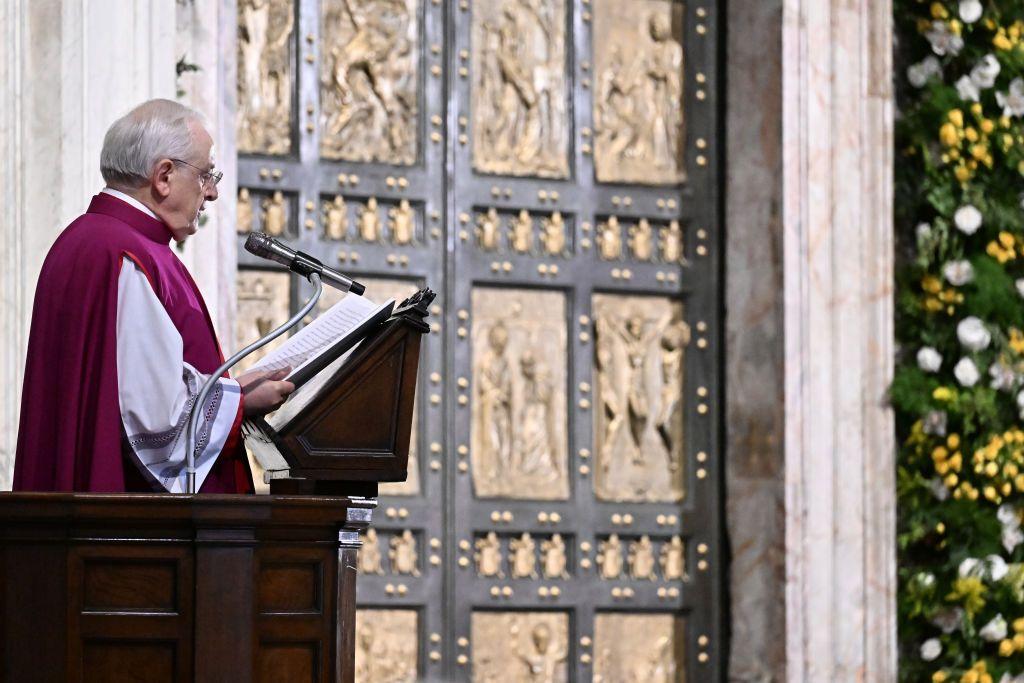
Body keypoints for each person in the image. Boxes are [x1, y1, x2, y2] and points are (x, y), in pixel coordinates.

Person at [13, 99, 294, 494]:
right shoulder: (132, 255)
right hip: (145, 530)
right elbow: (156, 421)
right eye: (206, 175)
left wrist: (234, 387)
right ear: (163, 176)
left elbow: (131, 384)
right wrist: (241, 404)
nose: (212, 193)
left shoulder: (83, 240)